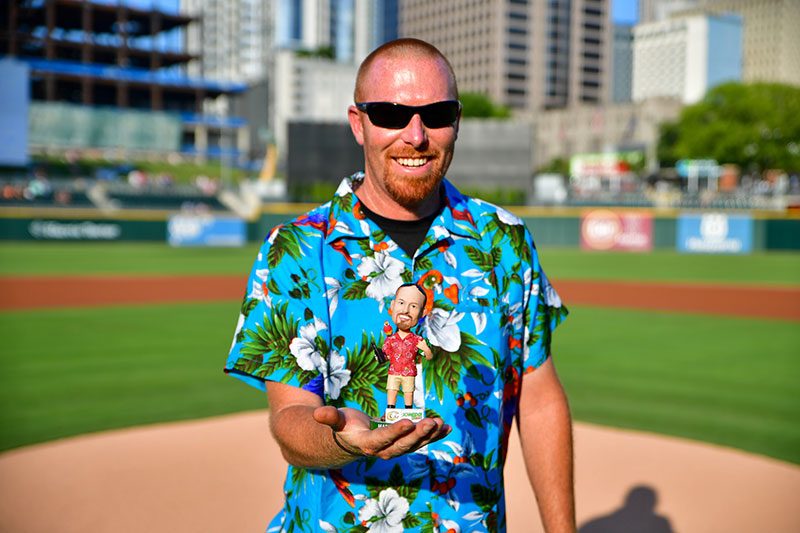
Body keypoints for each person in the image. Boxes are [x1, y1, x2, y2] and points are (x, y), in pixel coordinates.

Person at [224, 38, 574, 532]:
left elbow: (538, 399)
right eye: (391, 114)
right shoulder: (295, 249)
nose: (416, 135)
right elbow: (292, 416)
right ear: (358, 123)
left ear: (456, 121)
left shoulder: (505, 241)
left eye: (437, 114)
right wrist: (341, 441)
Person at [381, 283, 433, 410]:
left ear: (422, 313)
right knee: (391, 390)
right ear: (392, 305)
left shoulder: (418, 340)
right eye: (401, 303)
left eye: (413, 306)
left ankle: (408, 410)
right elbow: (386, 356)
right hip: (393, 372)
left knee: (408, 392)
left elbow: (428, 356)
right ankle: (390, 410)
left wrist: (426, 349)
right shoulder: (390, 340)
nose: (405, 310)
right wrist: (381, 357)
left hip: (409, 373)